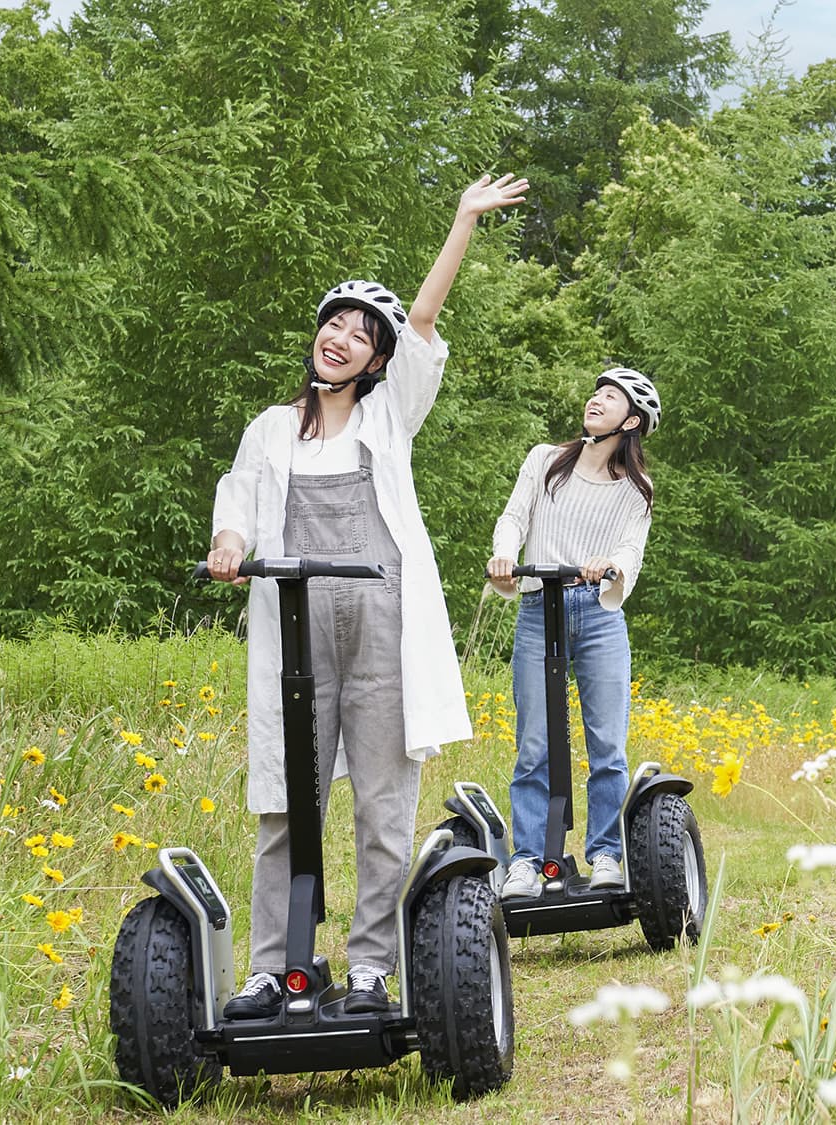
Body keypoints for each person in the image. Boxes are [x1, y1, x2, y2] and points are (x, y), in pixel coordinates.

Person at [205, 173, 528, 1017]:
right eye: (333, 324)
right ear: (316, 339)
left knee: (384, 806)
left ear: (378, 360)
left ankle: (369, 968)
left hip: (383, 632)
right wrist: (230, 547)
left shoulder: (390, 421)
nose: (341, 338)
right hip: (296, 633)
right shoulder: (272, 430)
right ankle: (273, 968)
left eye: (360, 333)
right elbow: (237, 502)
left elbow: (423, 322)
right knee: (288, 801)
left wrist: (462, 219)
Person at [484, 367, 660, 898]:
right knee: (534, 743)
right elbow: (514, 517)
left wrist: (610, 563)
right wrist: (505, 554)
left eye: (611, 398)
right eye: (596, 393)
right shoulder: (545, 461)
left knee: (607, 745)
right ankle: (528, 862)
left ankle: (606, 854)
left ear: (629, 421)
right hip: (540, 607)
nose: (596, 400)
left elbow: (631, 548)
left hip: (599, 616)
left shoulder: (636, 488)